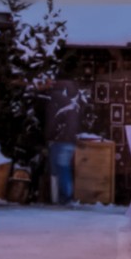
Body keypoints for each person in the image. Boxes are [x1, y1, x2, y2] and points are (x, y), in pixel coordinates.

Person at [38, 76, 86, 205]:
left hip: (59, 140)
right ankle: (63, 197)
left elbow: (52, 122)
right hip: (69, 140)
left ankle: (64, 197)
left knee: (58, 169)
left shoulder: (55, 100)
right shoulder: (73, 101)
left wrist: (48, 136)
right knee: (64, 168)